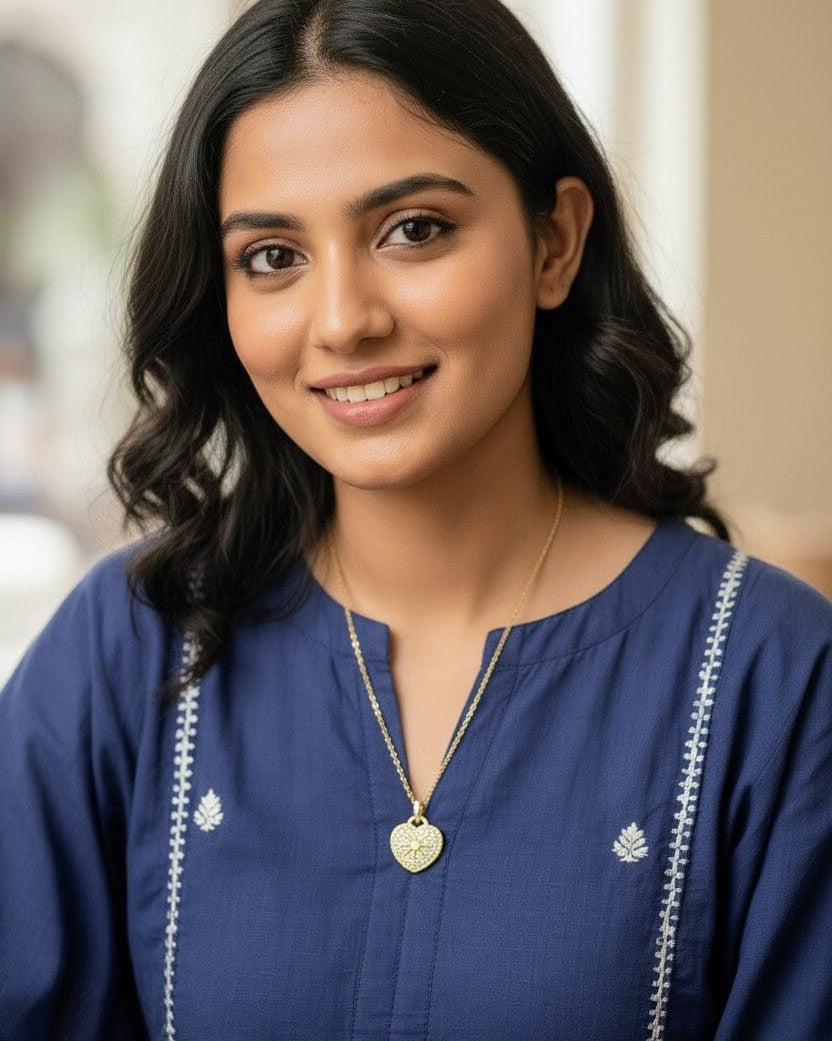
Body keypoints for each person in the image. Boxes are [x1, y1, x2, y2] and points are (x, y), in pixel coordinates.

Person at [0, 0, 830, 1037]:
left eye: (413, 230)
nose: (345, 319)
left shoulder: (776, 678)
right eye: (272, 257)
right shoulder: (127, 649)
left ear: (553, 241)